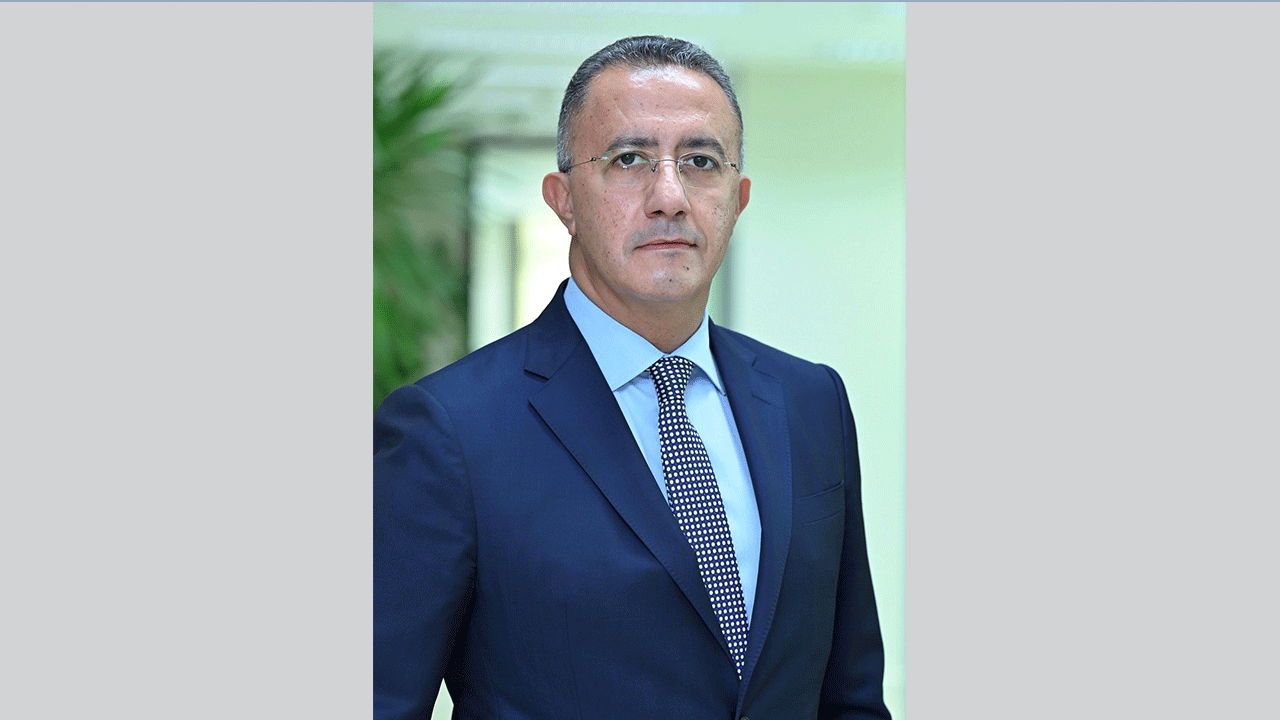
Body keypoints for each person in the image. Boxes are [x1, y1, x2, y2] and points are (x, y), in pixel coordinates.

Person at [374, 35, 891, 720]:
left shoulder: (810, 402)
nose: (669, 197)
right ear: (563, 199)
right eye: (629, 160)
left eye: (701, 162)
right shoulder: (448, 431)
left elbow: (850, 696)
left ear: (737, 198)